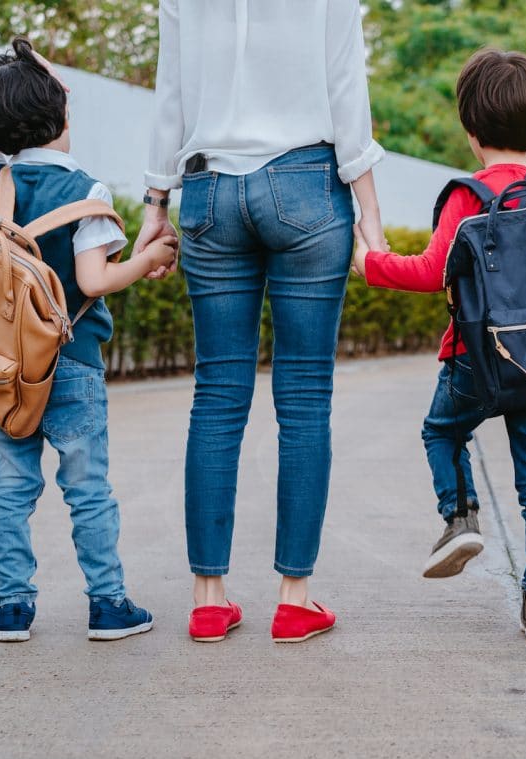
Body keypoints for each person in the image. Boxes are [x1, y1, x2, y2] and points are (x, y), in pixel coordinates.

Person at [137, 0, 386, 643]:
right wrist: (372, 220)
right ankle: (294, 598)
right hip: (306, 182)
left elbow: (172, 93)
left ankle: (208, 599)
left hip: (210, 190)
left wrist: (154, 206)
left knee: (217, 397)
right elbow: (345, 87)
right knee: (304, 399)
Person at [353, 48, 526, 644]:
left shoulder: (467, 197)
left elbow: (431, 269)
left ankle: (460, 515)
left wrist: (370, 263)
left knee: (442, 430)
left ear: (471, 130)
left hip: (474, 358)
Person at [0, 38, 176, 642]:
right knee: (87, 490)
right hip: (73, 365)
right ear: (61, 114)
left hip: (8, 373)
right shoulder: (89, 192)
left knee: (11, 488)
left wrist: (19, 80)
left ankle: (12, 608)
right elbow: (93, 279)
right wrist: (150, 255)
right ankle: (107, 605)